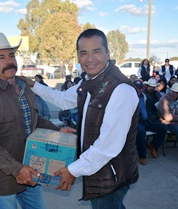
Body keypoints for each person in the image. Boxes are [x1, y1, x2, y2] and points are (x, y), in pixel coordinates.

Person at [27, 29, 139, 208]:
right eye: (83, 53)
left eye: (96, 51)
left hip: (111, 175)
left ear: (108, 54)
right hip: (96, 169)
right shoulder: (88, 82)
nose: (90, 59)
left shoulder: (121, 90)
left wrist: (73, 170)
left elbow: (108, 147)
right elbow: (63, 100)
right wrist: (33, 85)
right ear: (78, 57)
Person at [0, 32, 75, 209]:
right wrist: (16, 169)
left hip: (31, 170)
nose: (8, 61)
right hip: (3, 177)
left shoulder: (25, 87)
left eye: (11, 55)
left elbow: (35, 119)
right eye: (1, 57)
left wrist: (57, 131)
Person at [133, 80, 168, 165]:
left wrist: (157, 117)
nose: (139, 90)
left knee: (164, 127)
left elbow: (153, 109)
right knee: (140, 132)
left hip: (148, 121)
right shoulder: (129, 99)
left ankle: (153, 146)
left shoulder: (146, 98)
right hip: (137, 122)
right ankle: (142, 155)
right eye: (136, 88)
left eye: (140, 88)